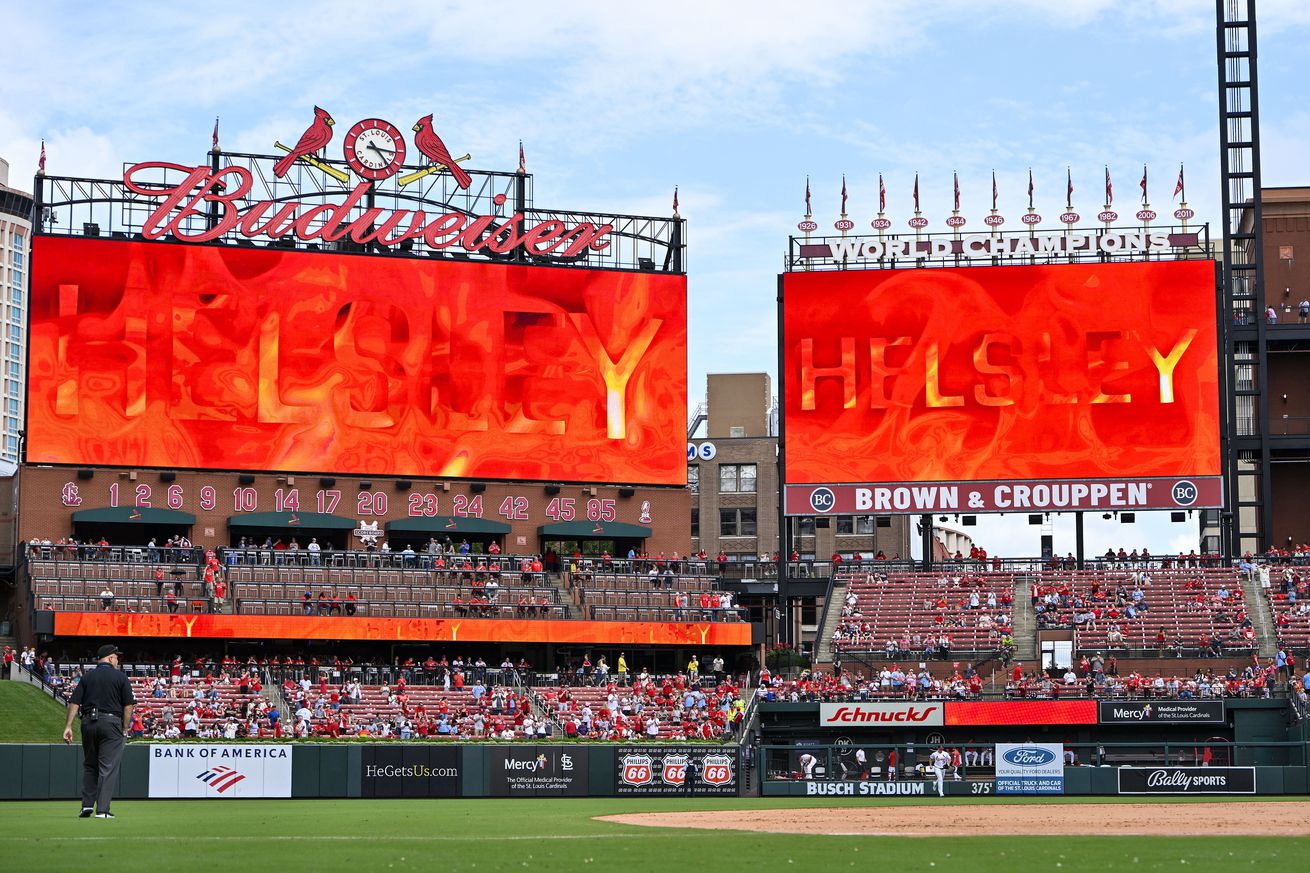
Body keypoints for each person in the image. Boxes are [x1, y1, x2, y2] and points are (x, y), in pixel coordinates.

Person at [64, 644, 135, 818]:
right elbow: (128, 705)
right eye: (116, 657)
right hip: (111, 723)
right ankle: (102, 810)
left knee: (90, 765)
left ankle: (87, 806)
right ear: (110, 658)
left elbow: (74, 702)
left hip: (88, 722)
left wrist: (68, 726)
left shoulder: (88, 677)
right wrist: (125, 728)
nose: (118, 660)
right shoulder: (120, 677)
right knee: (107, 767)